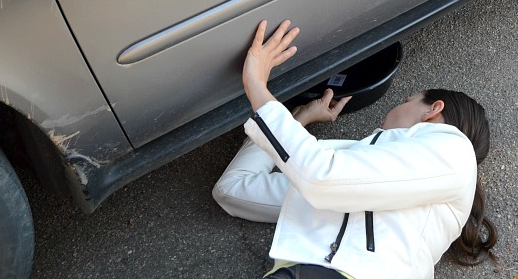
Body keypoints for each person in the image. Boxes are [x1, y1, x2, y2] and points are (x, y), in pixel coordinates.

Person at [212, 20, 497, 278]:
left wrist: (256, 84)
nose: (396, 106)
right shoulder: (346, 158)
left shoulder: (456, 153)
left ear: (433, 110)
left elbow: (319, 176)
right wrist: (298, 120)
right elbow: (234, 190)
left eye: (409, 99)